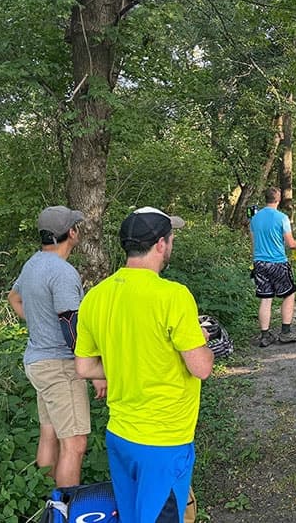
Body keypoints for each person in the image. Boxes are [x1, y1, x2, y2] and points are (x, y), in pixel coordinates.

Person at [74, 207, 214, 523]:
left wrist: (127, 365)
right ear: (161, 244)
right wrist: (202, 338)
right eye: (171, 238)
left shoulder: (95, 296)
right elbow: (201, 368)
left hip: (120, 436)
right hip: (163, 441)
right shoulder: (173, 296)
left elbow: (84, 367)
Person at [7, 205, 106, 487]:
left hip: (38, 363)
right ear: (71, 232)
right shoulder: (62, 272)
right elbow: (72, 327)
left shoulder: (33, 264)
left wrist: (39, 322)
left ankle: (49, 501)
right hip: (60, 367)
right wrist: (95, 370)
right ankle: (66, 507)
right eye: (76, 226)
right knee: (74, 444)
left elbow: (13, 298)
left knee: (49, 433)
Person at [249, 186, 296, 347]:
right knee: (289, 294)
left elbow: (253, 242)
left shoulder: (254, 219)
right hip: (278, 262)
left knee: (266, 299)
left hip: (259, 263)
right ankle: (285, 332)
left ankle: (265, 335)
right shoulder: (282, 218)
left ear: (265, 198)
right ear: (278, 199)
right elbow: (290, 243)